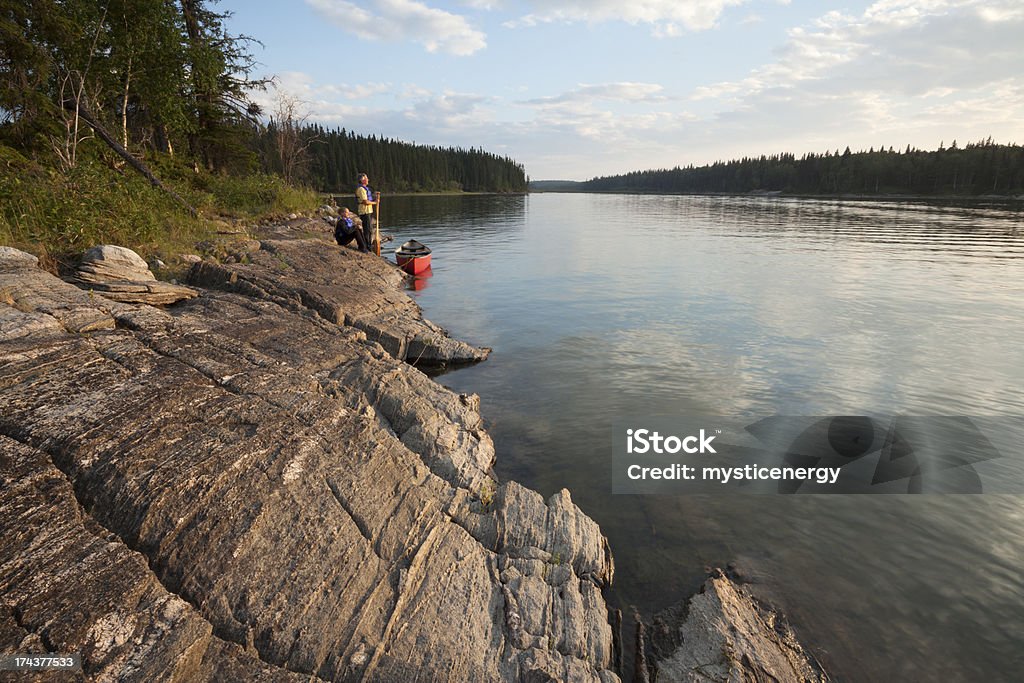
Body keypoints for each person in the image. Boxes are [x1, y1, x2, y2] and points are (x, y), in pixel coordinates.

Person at [355, 173, 380, 252]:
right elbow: (365, 201)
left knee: (369, 229)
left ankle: (368, 245)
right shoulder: (361, 189)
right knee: (367, 229)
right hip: (364, 211)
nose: (368, 179)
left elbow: (369, 200)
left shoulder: (365, 188)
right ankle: (366, 246)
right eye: (366, 178)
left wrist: (375, 199)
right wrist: (375, 203)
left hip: (368, 211)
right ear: (362, 180)